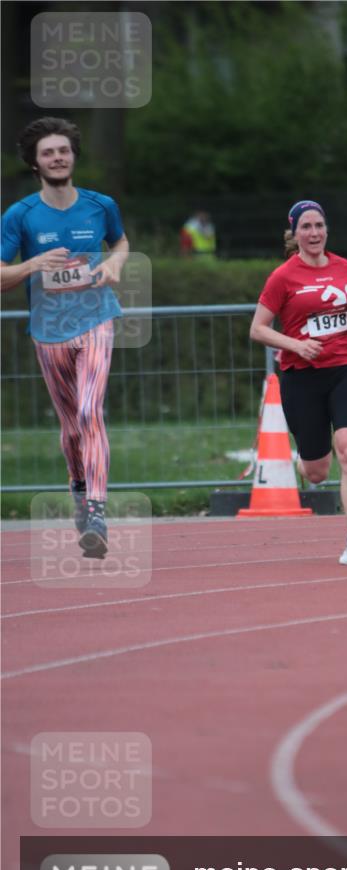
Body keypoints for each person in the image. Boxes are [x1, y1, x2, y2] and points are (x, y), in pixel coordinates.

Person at [0, 117, 129, 559]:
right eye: (48, 153)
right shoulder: (20, 215)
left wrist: (114, 263)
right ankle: (78, 485)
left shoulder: (100, 205)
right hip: (48, 331)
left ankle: (96, 512)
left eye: (63, 151)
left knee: (91, 411)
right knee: (73, 426)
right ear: (35, 163)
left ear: (73, 156)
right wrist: (32, 265)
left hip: (96, 319)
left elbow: (121, 243)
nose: (57, 158)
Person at [250, 199, 347, 565]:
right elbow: (257, 329)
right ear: (295, 234)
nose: (314, 233)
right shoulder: (283, 277)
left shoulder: (344, 267)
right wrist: (295, 345)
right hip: (302, 377)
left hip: (345, 370)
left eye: (319, 225)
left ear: (327, 229)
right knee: (317, 471)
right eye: (306, 227)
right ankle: (304, 462)